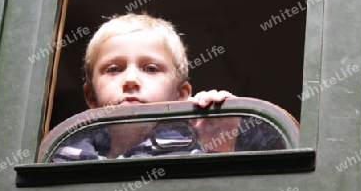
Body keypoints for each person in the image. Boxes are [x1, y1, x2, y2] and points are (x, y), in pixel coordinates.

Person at [51, 13, 285, 162]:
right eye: (114, 69)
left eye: (151, 69)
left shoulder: (192, 152)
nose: (130, 79)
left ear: (181, 95)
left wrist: (225, 147)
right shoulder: (65, 156)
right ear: (91, 96)